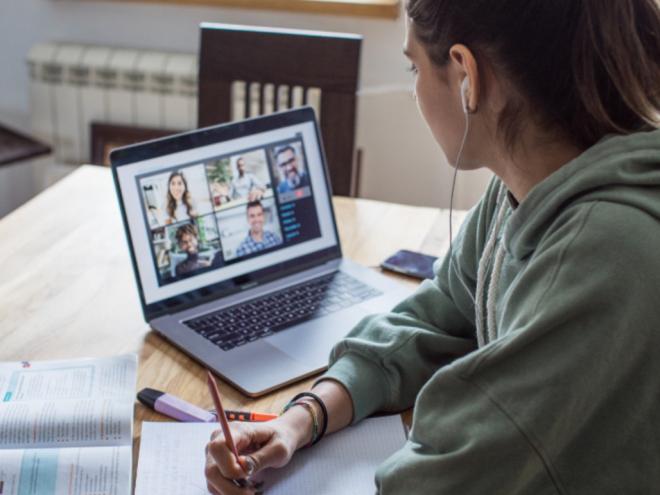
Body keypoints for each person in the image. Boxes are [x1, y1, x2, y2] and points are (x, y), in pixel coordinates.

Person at [205, 1, 660, 494]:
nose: (414, 88)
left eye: (413, 66)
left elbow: (445, 476)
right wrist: (303, 418)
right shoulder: (530, 185)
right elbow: (438, 315)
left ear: (467, 75)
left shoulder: (602, 256)